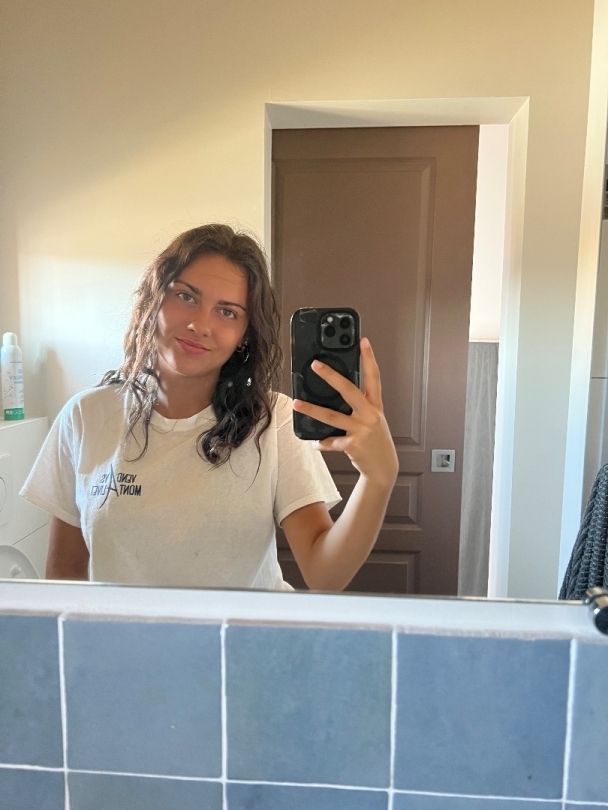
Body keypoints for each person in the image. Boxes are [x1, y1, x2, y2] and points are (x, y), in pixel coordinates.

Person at [21, 224, 398, 591]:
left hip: (242, 633)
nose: (200, 325)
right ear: (154, 299)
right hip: (126, 636)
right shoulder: (85, 417)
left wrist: (378, 479)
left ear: (244, 336)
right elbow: (64, 575)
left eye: (227, 312)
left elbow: (324, 575)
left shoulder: (274, 421)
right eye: (186, 296)